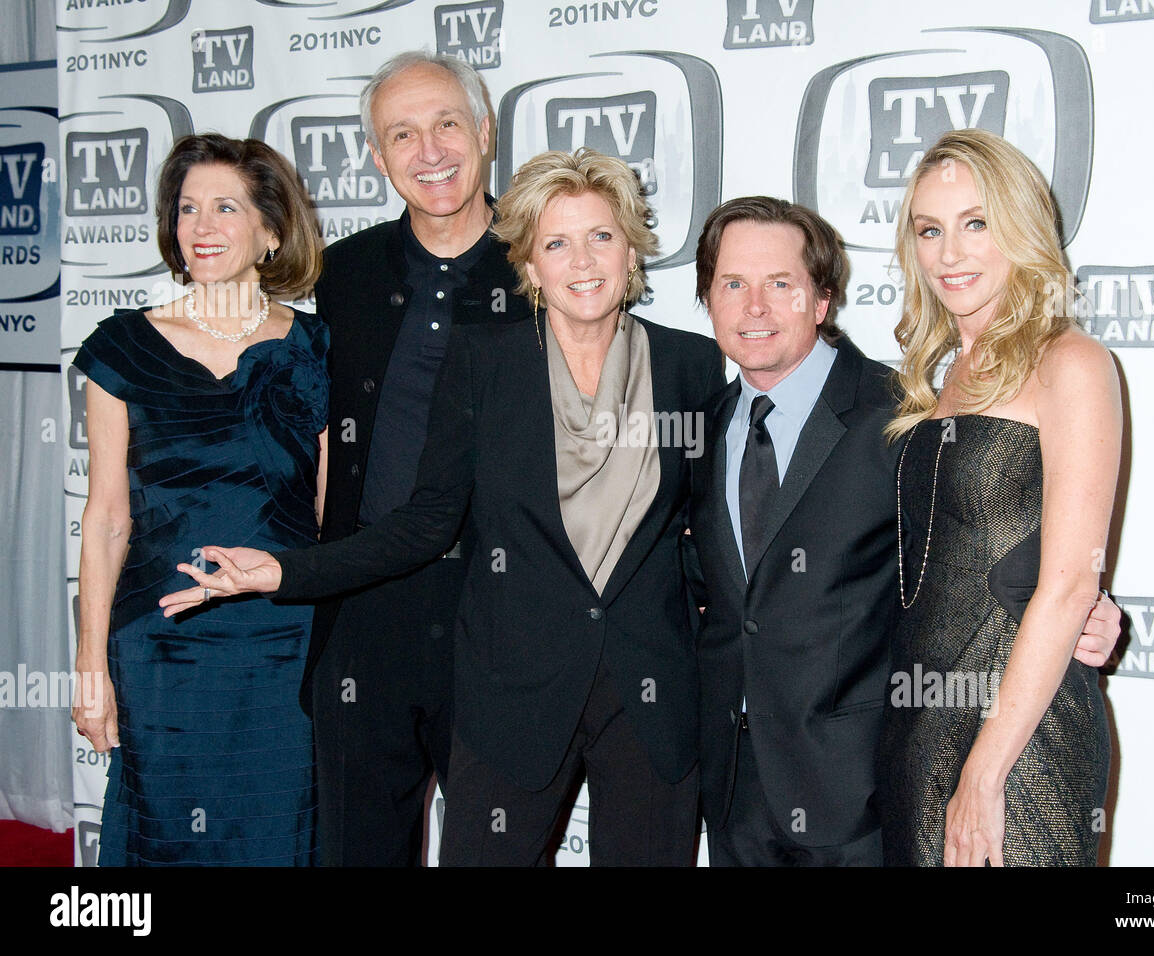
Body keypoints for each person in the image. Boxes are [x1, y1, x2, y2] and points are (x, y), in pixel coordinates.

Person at [160, 147, 726, 866]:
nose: (582, 261)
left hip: (648, 700)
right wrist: (284, 572)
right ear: (529, 264)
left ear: (630, 250)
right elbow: (427, 521)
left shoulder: (691, 365)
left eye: (600, 237)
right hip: (512, 692)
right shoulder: (483, 362)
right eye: (557, 242)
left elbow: (710, 527)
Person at [687, 195, 1119, 866]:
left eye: (781, 284)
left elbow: (971, 550)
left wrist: (1091, 608)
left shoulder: (905, 416)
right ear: (707, 298)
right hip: (733, 790)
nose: (755, 307)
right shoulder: (702, 427)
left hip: (859, 795)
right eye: (732, 284)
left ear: (822, 299)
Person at [72, 133, 326, 865]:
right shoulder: (122, 348)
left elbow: (330, 516)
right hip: (162, 649)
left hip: (286, 649)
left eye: (225, 207)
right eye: (187, 209)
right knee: (166, 838)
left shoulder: (316, 350)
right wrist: (91, 666)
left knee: (282, 834)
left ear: (271, 230)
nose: (202, 226)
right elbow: (106, 520)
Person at [305, 50, 530, 867]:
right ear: (376, 155)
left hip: (499, 611)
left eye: (445, 124)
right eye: (402, 133)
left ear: (485, 130)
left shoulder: (547, 265)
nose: (429, 151)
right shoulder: (344, 273)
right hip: (365, 605)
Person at [876, 128, 1121, 866]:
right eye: (930, 230)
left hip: (1021, 735)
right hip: (917, 725)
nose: (950, 253)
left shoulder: (1070, 362)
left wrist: (984, 774)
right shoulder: (937, 379)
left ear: (1020, 227)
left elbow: (1071, 579)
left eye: (975, 224)